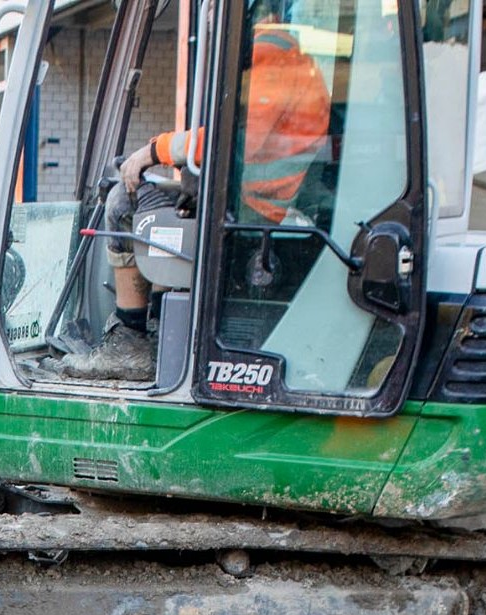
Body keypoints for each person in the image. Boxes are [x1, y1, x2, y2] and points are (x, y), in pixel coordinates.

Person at [69, 0, 332, 380]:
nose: (208, 16)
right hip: (263, 201)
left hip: (255, 212)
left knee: (124, 201)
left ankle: (132, 341)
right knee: (173, 209)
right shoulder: (295, 64)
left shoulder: (272, 61)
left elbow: (232, 141)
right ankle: (160, 332)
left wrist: (155, 150)